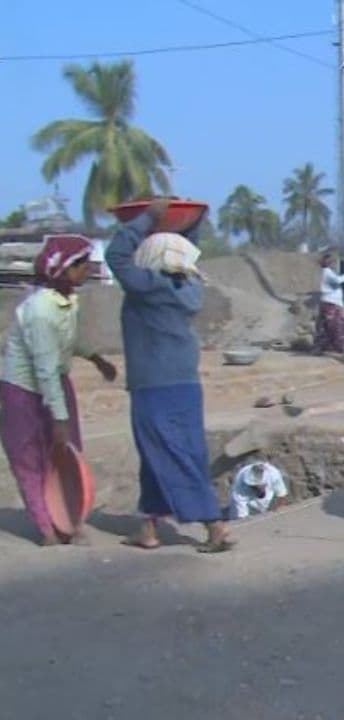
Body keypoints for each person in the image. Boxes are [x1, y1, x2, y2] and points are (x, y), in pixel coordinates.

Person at [106, 198, 233, 553]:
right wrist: (193, 222)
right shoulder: (188, 287)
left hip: (153, 384)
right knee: (163, 452)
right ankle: (148, 527)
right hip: (184, 384)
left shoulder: (148, 286)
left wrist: (149, 217)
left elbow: (115, 256)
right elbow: (182, 248)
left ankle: (215, 524)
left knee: (173, 454)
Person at [0, 235, 117, 546]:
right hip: (23, 390)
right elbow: (45, 369)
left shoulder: (66, 301)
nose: (88, 268)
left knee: (66, 456)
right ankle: (46, 528)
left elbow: (68, 340)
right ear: (64, 270)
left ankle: (69, 520)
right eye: (82, 264)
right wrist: (60, 419)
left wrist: (95, 358)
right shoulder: (39, 311)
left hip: (53, 384)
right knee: (30, 458)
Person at [315, 252, 344, 354]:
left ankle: (327, 345)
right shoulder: (327, 272)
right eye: (332, 261)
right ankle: (338, 346)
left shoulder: (328, 272)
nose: (334, 264)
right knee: (336, 326)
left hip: (332, 302)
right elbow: (337, 280)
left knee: (331, 325)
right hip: (331, 303)